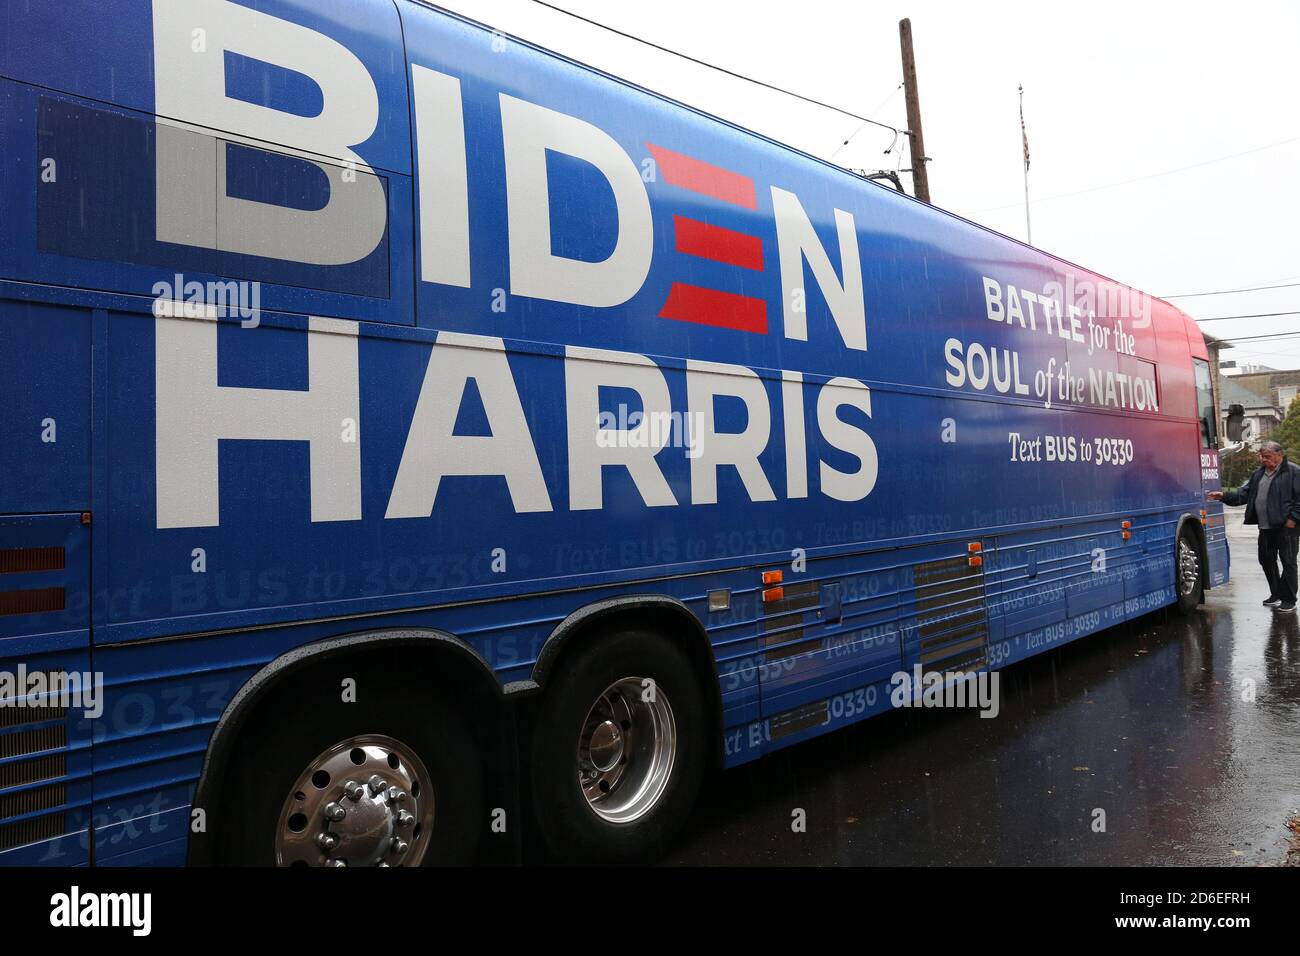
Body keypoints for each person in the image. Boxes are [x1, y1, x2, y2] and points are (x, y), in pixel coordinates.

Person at [1208, 441, 1300, 611]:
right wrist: (1223, 496)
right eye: (1262, 456)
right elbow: (1244, 494)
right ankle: (1276, 593)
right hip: (1265, 527)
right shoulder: (1259, 474)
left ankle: (1289, 599)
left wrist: (1293, 518)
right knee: (1266, 560)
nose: (1263, 459)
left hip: (1287, 527)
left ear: (1280, 455)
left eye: (1267, 456)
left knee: (1288, 562)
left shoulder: (1293, 472)